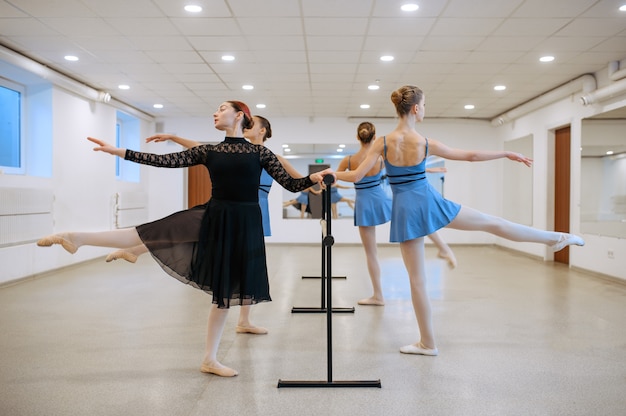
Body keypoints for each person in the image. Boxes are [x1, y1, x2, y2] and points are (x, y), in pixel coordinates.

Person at [38, 100, 333, 376]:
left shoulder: (261, 154)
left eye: (221, 109)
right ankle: (76, 237)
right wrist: (119, 152)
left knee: (225, 292)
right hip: (214, 215)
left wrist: (313, 179)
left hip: (245, 223)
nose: (215, 114)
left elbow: (292, 184)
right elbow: (163, 161)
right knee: (146, 232)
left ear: (240, 115)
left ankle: (209, 359)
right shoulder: (209, 150)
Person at [334, 85, 584, 357]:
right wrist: (506, 153)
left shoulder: (383, 142)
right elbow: (471, 156)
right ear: (416, 108)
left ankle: (428, 344)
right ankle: (557, 238)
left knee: (417, 281)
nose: (425, 109)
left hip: (406, 211)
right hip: (431, 203)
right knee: (493, 223)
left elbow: (357, 175)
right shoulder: (425, 143)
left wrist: (331, 174)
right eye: (425, 105)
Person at [105, 115, 296, 336]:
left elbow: (298, 181)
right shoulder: (232, 151)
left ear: (263, 131)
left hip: (254, 208)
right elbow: (198, 148)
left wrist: (318, 185)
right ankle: (139, 248)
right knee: (201, 236)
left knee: (248, 261)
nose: (248, 126)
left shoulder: (272, 157)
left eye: (254, 124)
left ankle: (244, 320)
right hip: (234, 207)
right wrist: (174, 137)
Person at [336, 122, 457, 307]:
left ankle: (378, 296)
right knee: (418, 218)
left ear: (357, 137)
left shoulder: (349, 160)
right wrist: (433, 169)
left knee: (371, 254)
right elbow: (403, 168)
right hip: (383, 200)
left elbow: (336, 178)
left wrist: (331, 180)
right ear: (374, 136)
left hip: (364, 204)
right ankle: (443, 247)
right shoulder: (381, 157)